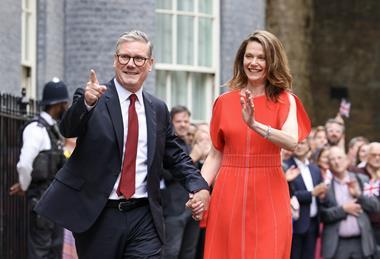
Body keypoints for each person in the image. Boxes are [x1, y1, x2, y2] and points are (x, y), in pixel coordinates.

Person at [34, 30, 210, 259]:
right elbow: (68, 129)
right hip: (99, 216)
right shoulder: (93, 98)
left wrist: (200, 186)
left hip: (144, 216)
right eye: (124, 57)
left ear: (150, 64)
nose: (131, 64)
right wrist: (86, 103)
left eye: (139, 59)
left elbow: (175, 156)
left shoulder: (157, 109)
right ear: (115, 60)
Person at [188, 30, 311, 258]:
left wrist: (255, 124)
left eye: (261, 57)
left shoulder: (286, 100)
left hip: (270, 191)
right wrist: (200, 189)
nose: (254, 63)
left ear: (272, 62)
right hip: (228, 191)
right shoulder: (224, 102)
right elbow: (215, 155)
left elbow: (292, 141)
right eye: (249, 56)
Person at [9, 78, 69, 259]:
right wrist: (24, 185)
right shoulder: (36, 129)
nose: (66, 107)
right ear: (58, 104)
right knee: (41, 252)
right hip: (42, 201)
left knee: (54, 251)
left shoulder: (52, 130)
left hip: (53, 201)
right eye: (65, 103)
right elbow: (25, 163)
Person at [320, 146, 380, 259]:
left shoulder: (361, 179)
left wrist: (359, 195)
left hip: (362, 242)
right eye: (332, 159)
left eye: (339, 157)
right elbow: (322, 215)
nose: (336, 162)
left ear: (346, 159)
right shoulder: (326, 185)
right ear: (328, 163)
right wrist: (343, 209)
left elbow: (375, 207)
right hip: (337, 243)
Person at [161, 105, 201, 259]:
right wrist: (194, 158)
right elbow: (166, 174)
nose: (183, 124)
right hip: (173, 209)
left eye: (186, 121)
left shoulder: (188, 145)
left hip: (192, 208)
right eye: (179, 121)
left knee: (188, 253)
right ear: (171, 123)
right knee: (171, 252)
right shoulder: (165, 145)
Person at [284, 139, 327, 259]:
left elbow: (320, 194)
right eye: (296, 143)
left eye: (302, 143)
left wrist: (322, 195)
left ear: (309, 146)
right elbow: (286, 195)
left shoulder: (315, 169)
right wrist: (312, 193)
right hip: (295, 223)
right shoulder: (286, 166)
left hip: (313, 223)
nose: (298, 146)